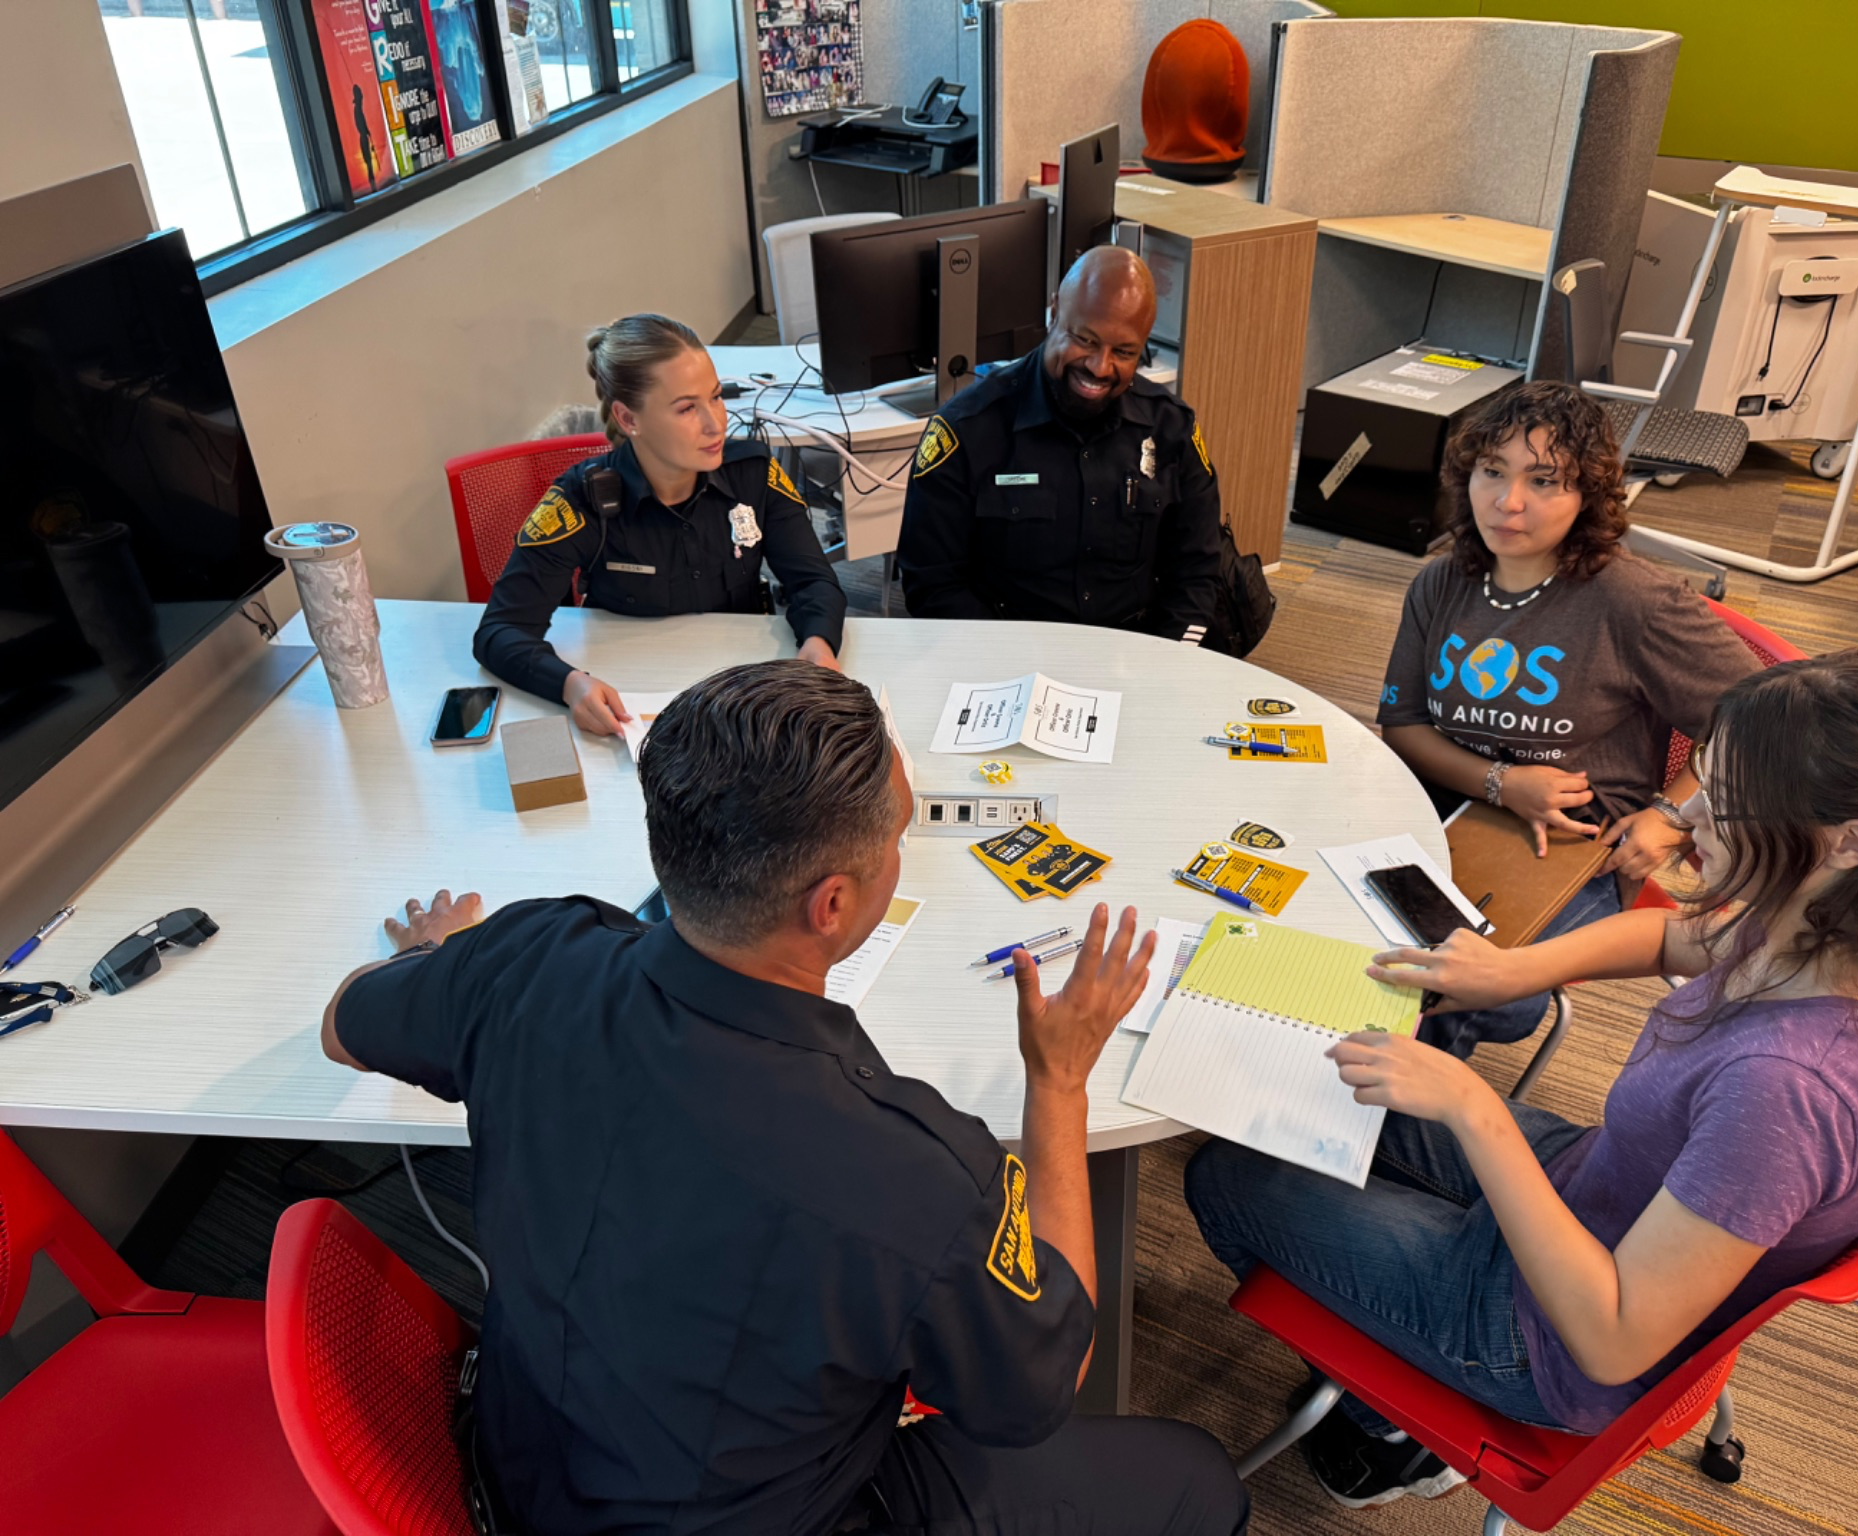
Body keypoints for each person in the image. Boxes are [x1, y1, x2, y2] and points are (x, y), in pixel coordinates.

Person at [319, 661, 1248, 1536]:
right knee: (1196, 1481)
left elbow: (340, 1025)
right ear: (832, 905)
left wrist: (445, 957)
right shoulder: (916, 1175)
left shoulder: (522, 958)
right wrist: (1058, 1084)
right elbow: (1048, 1376)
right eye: (899, 834)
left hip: (520, 1469)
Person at [1187, 650, 1858, 1510]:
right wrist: (1513, 972)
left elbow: (1613, 1339)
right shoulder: (1835, 927)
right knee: (1310, 1093)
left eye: (1720, 807)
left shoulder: (1789, 1090)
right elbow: (1667, 942)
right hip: (1593, 1194)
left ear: (1851, 842)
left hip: (1545, 1337)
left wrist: (1473, 1110)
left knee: (1224, 1177)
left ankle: (1390, 1425)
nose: (1688, 828)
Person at [1375, 381, 1761, 1057]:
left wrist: (1672, 818)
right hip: (1440, 812)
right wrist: (1501, 781)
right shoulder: (1441, 582)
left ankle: (1390, 1123)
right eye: (1492, 471)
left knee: (1466, 993)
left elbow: (1766, 723)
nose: (1508, 501)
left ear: (1588, 497)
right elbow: (1403, 724)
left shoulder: (1632, 600)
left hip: (1575, 849)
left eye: (1544, 480)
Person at [474, 315, 846, 737]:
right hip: (630, 699)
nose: (716, 423)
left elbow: (815, 582)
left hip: (739, 692)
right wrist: (569, 684)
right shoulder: (582, 500)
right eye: (687, 408)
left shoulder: (752, 474)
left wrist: (818, 642)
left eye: (717, 397)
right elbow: (500, 632)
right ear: (629, 419)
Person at [895, 246, 1223, 645]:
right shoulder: (968, 429)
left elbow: (1196, 571)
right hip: (1006, 651)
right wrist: (1011, 663)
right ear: (1054, 312)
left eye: (1124, 352)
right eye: (1084, 339)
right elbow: (931, 583)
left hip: (1137, 653)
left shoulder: (1171, 428)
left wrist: (1167, 661)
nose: (1100, 368)